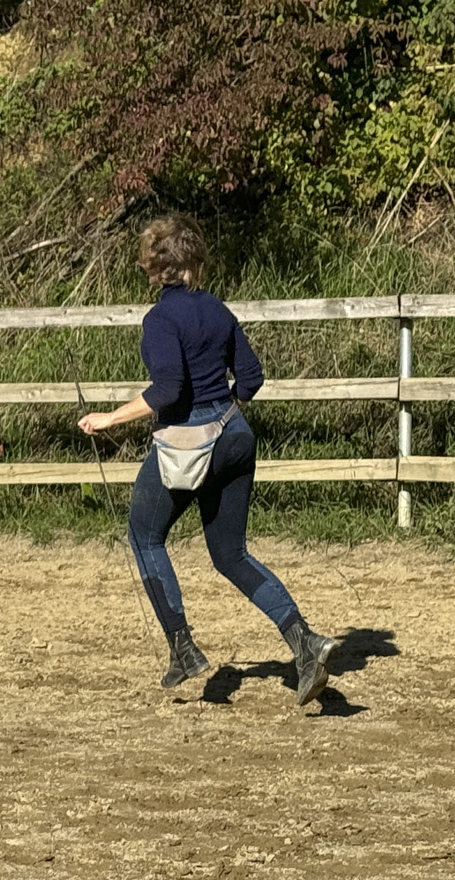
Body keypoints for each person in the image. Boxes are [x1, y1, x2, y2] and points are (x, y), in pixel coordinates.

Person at [76, 212, 337, 706]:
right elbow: (251, 378)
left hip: (189, 444)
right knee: (231, 554)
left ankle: (183, 650)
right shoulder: (218, 309)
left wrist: (110, 418)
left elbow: (168, 389)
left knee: (144, 536)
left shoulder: (159, 320)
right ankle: (305, 643)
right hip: (235, 435)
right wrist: (222, 411)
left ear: (157, 267)